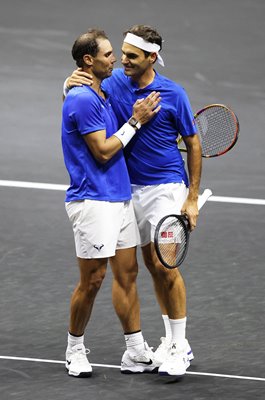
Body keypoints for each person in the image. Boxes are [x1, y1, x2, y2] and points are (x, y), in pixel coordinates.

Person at [64, 24, 202, 378]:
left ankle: (179, 345)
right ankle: (146, 348)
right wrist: (66, 85)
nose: (122, 60)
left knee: (165, 265)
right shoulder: (112, 84)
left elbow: (194, 143)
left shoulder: (174, 94)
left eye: (131, 56)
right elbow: (83, 99)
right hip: (127, 191)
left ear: (152, 58)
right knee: (138, 270)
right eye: (119, 53)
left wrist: (191, 198)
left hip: (166, 188)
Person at [62, 28, 162, 377]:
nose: (115, 59)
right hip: (92, 200)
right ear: (88, 60)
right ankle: (74, 348)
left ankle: (134, 350)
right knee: (92, 280)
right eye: (107, 55)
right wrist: (135, 121)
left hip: (118, 199)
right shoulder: (83, 99)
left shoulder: (97, 93)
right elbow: (103, 152)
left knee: (127, 273)